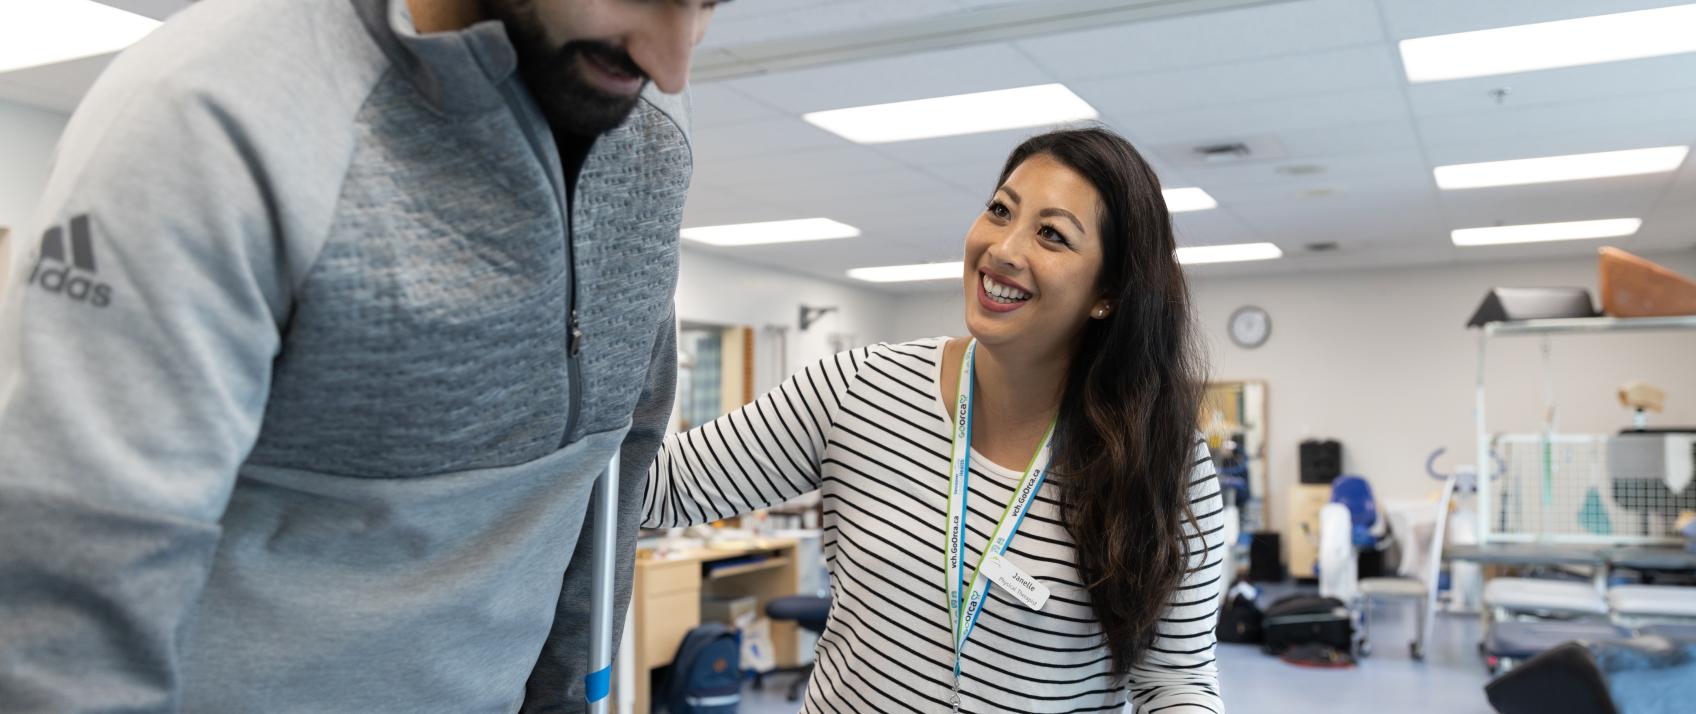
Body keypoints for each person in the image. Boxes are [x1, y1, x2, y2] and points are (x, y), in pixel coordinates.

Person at [0, 0, 726, 711]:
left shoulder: (644, 119)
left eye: (708, 4)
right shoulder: (212, 110)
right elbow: (73, 580)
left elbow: (612, 456)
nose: (672, 63)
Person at [637, 127, 1226, 712]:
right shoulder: (860, 388)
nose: (1004, 249)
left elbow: (1175, 681)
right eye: (1000, 210)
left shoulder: (1164, 457)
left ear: (1110, 293)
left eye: (1051, 234)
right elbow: (654, 490)